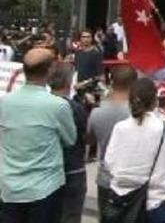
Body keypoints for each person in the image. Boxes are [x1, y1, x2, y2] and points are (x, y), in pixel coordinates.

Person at [0, 48, 76, 223]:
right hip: (45, 188)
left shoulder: (5, 102)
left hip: (9, 187)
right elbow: (70, 139)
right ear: (50, 70)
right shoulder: (58, 106)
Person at [104, 78, 165, 223]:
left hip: (122, 197)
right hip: (155, 201)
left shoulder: (120, 127)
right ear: (155, 101)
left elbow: (109, 163)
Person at [86, 65, 138, 214]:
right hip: (132, 180)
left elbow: (90, 141)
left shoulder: (97, 112)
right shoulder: (139, 114)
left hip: (106, 178)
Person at [48, 63, 88, 223]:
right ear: (69, 82)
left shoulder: (42, 105)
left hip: (48, 172)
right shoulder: (76, 108)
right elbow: (83, 136)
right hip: (72, 170)